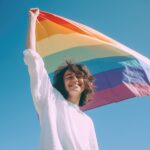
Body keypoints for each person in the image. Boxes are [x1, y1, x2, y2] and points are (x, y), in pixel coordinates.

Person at [23, 8, 99, 150]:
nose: (75, 80)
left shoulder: (88, 122)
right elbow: (33, 60)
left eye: (79, 76)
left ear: (85, 84)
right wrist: (32, 20)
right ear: (62, 83)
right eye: (69, 77)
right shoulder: (50, 99)